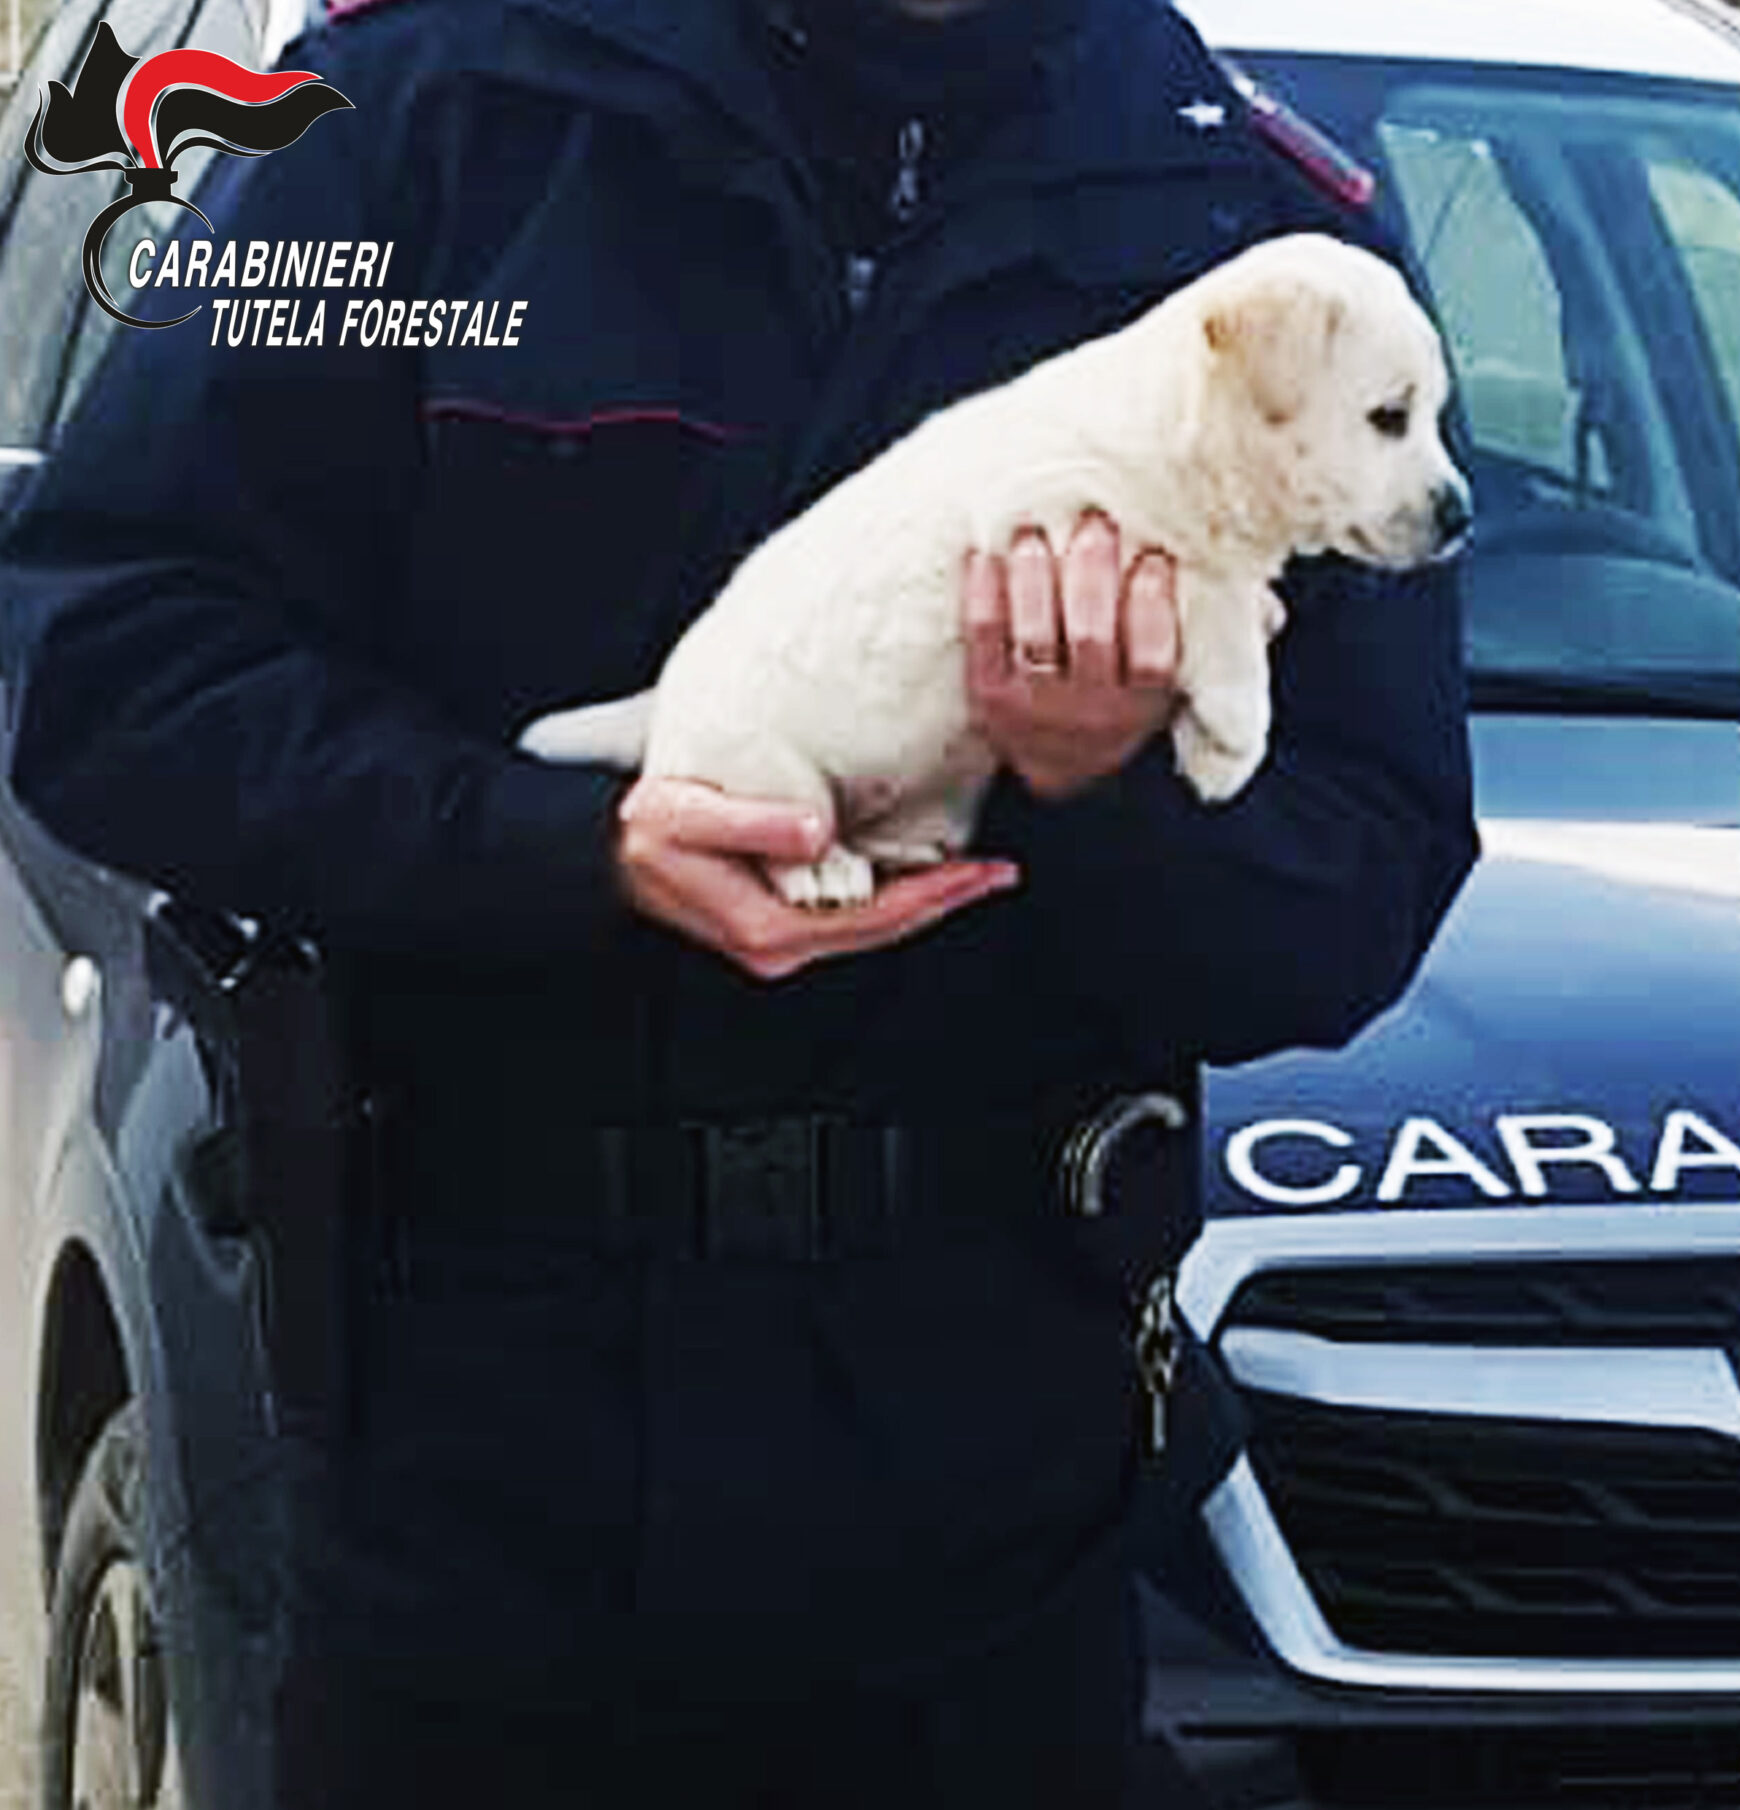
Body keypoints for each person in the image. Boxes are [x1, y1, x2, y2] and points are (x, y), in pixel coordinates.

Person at [0, 0, 1477, 1798]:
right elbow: (107, 663)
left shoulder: (1242, 230)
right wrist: (564, 843)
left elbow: (1362, 884)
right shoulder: (423, 125)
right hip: (479, 1484)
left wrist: (1100, 785)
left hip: (987, 1513)